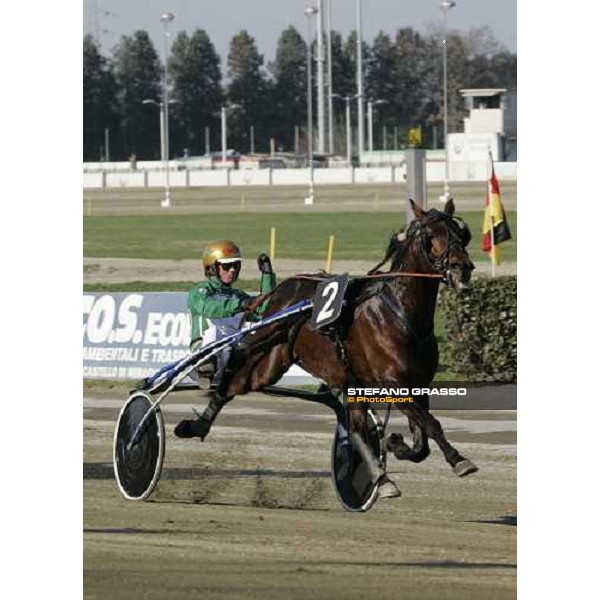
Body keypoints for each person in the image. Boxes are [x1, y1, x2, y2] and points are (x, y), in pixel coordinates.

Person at [174, 240, 276, 439]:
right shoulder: (200, 291)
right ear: (212, 267)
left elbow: (265, 310)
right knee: (215, 331)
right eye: (226, 266)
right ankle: (207, 366)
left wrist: (267, 276)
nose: (232, 270)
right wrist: (241, 305)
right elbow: (210, 308)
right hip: (203, 358)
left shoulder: (238, 294)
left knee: (254, 338)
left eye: (236, 266)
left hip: (233, 362)